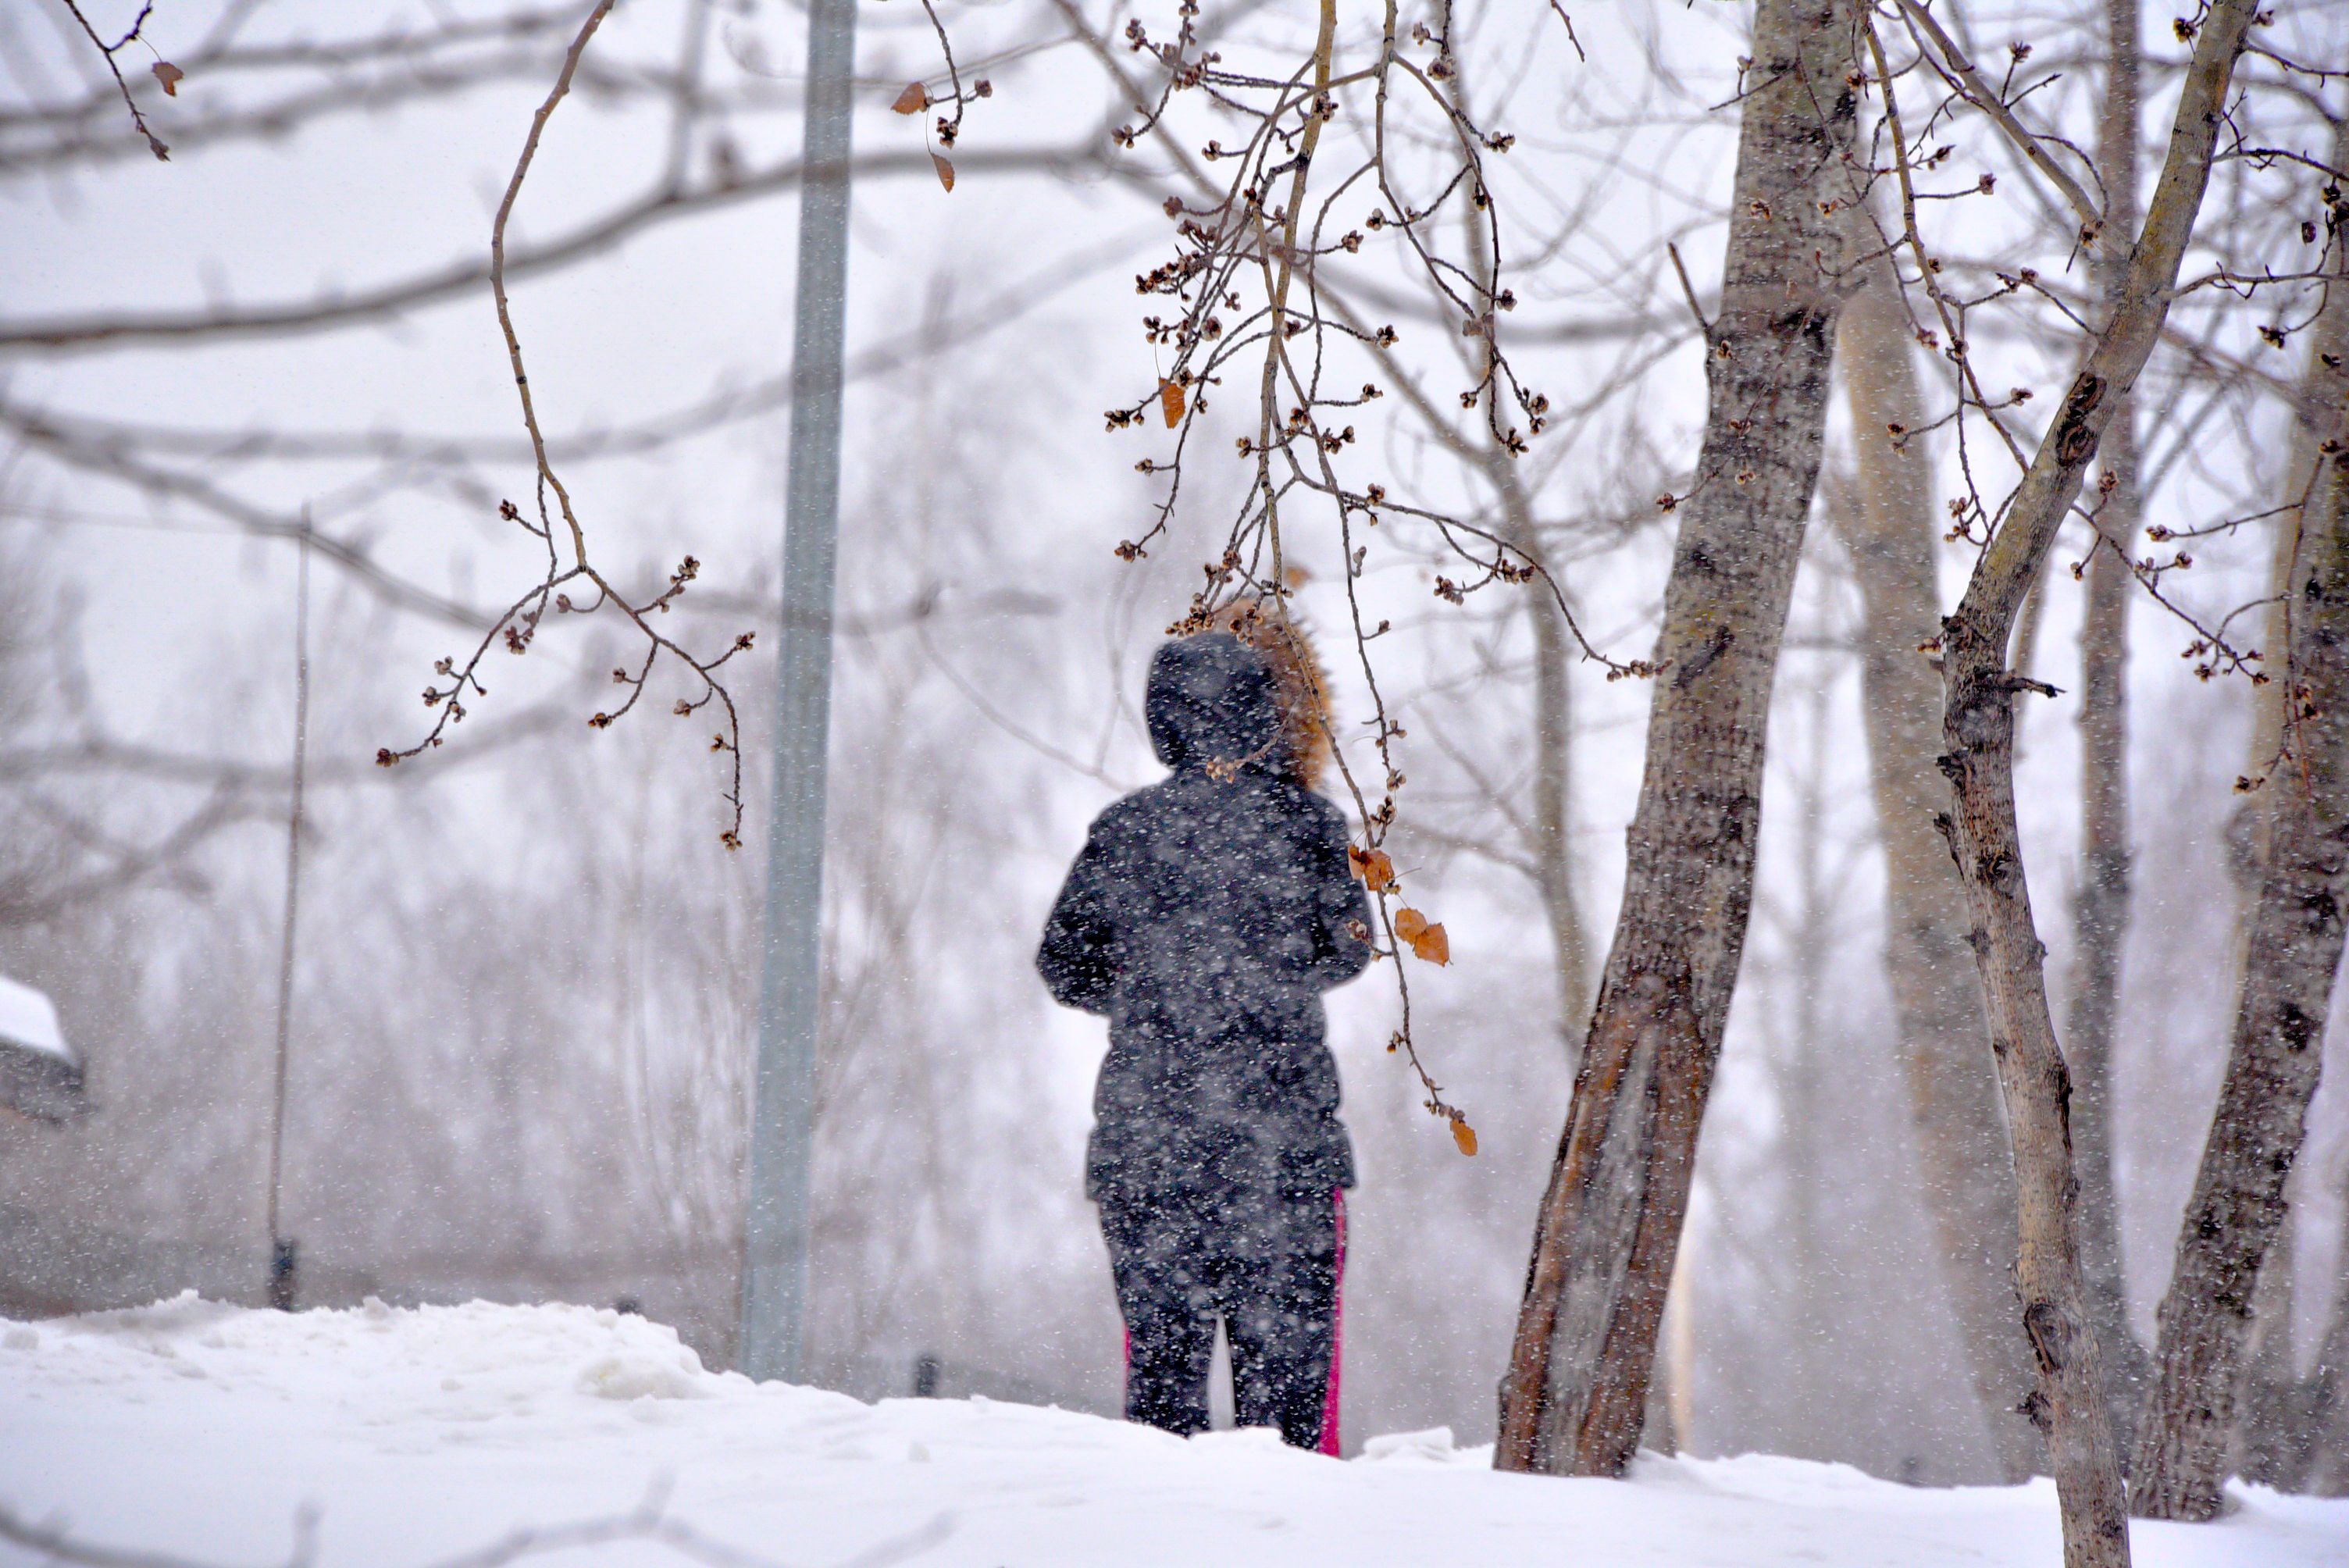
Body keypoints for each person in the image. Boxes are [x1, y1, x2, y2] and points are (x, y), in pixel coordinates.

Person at [1036, 608, 1372, 1452]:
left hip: (1149, 1153)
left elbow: (1062, 964)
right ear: (1266, 717)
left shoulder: (1123, 833)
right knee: (1292, 1411)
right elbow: (1349, 953)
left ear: (1162, 723)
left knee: (1161, 1398)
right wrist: (1265, 984)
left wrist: (1156, 994)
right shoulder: (1310, 829)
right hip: (1284, 1156)